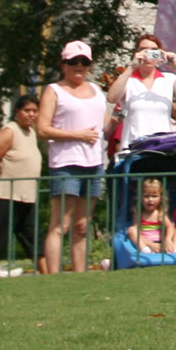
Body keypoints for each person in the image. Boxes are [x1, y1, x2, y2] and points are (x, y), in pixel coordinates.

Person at [39, 41, 105, 276]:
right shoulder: (54, 91)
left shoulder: (97, 91)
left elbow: (102, 124)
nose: (79, 66)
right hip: (66, 163)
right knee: (61, 224)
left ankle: (80, 276)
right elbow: (43, 128)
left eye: (84, 62)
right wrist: (76, 135)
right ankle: (54, 276)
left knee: (82, 225)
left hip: (94, 163)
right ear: (64, 64)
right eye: (74, 62)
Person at [0, 94, 42, 275]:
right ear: (17, 112)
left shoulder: (31, 133)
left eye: (34, 111)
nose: (31, 114)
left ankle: (49, 276)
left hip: (27, 195)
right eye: (27, 110)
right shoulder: (9, 131)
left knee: (35, 240)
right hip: (5, 195)